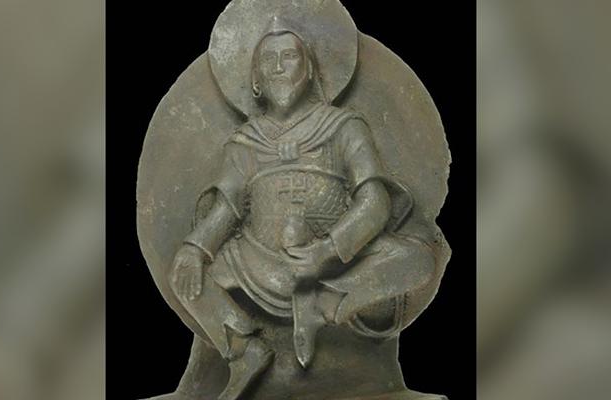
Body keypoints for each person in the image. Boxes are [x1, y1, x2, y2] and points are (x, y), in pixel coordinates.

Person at [170, 17, 435, 400]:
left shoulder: (344, 127)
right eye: (269, 60)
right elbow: (226, 210)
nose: (279, 66)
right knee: (184, 273)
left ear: (309, 70)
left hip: (337, 264)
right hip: (256, 261)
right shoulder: (244, 142)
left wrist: (328, 251)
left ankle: (325, 305)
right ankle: (242, 348)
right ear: (256, 80)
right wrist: (195, 247)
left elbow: (375, 203)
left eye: (290, 56)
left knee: (417, 259)